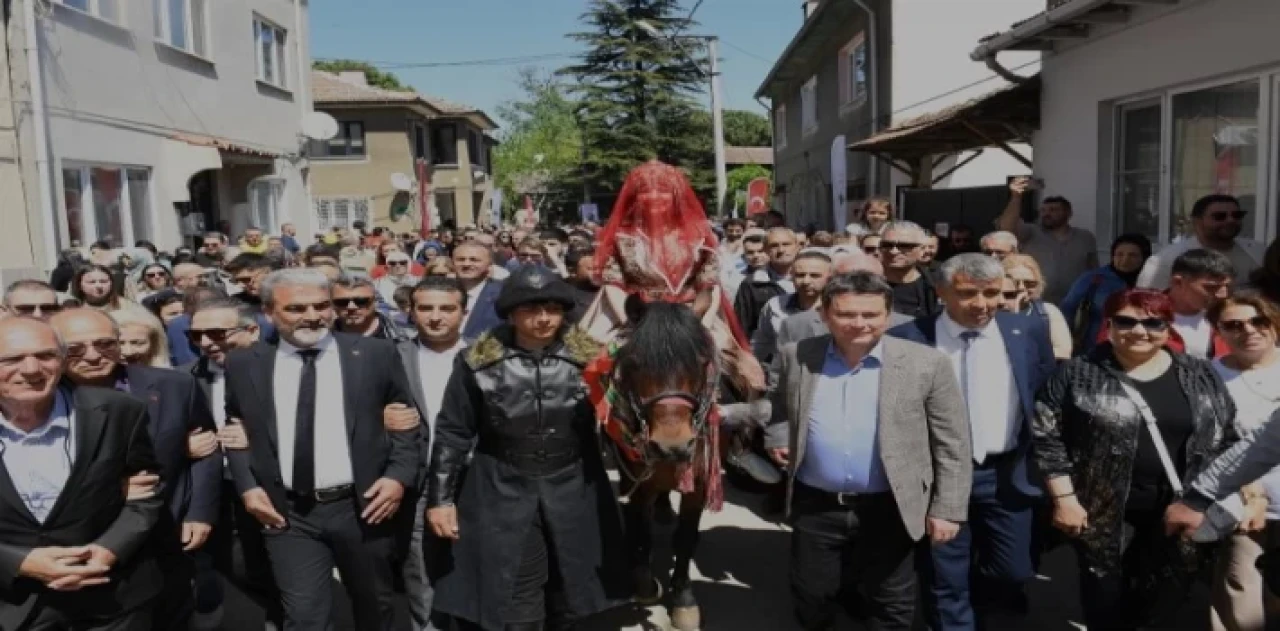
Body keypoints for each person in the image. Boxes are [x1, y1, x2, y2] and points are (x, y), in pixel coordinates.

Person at [426, 266, 629, 630]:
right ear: (511, 313)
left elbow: (623, 419)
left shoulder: (593, 359)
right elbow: (453, 432)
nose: (543, 318)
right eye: (530, 309)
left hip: (574, 487)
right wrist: (440, 500)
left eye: (553, 309)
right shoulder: (477, 360)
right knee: (518, 592)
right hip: (501, 487)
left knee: (570, 588)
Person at [765, 272, 972, 631]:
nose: (859, 323)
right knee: (813, 595)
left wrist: (948, 509)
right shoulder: (797, 356)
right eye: (846, 314)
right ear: (825, 314)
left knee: (891, 601)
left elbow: (952, 441)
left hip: (891, 505)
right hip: (817, 505)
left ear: (888, 316)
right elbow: (778, 405)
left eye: (871, 314)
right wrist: (778, 437)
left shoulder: (926, 363)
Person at [223, 268, 421, 630]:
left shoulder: (374, 354)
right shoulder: (244, 363)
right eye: (296, 309)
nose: (312, 316)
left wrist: (397, 478)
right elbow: (236, 430)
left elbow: (407, 425)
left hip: (362, 506)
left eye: (321, 306)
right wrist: (248, 488)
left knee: (375, 607)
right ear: (268, 312)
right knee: (303, 617)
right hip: (287, 512)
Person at [1033, 288, 1238, 630]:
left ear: (1168, 328)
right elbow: (1046, 436)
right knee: (1105, 600)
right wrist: (1064, 499)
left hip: (1181, 507)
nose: (1139, 331)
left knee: (1165, 599)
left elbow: (1226, 436)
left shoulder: (1199, 373)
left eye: (1153, 323)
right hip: (1101, 510)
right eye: (1126, 321)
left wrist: (1237, 494)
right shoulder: (1078, 373)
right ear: (1109, 325)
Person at [889, 253, 1056, 630]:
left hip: (1006, 474)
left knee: (1013, 570)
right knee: (945, 576)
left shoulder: (1026, 330)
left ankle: (986, 611)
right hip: (938, 476)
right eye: (967, 293)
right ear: (941, 292)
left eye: (992, 293)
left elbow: (1043, 393)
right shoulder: (907, 338)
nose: (982, 304)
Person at [50, 307, 221, 630]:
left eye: (105, 344)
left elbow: (207, 448)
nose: (93, 355)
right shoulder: (40, 398)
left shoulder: (174, 385)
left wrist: (200, 512)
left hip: (167, 535)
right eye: (75, 349)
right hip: (83, 547)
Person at [0, 317, 169, 630]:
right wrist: (18, 562)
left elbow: (147, 494)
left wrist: (110, 550)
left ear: (63, 360)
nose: (31, 369)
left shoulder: (118, 410)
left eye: (46, 356)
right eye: (11, 359)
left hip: (113, 599)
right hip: (12, 605)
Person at [580, 160, 764, 396]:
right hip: (633, 314)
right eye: (646, 191)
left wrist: (698, 325)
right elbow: (613, 285)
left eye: (663, 191)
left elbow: (709, 286)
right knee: (587, 362)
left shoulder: (698, 237)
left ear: (676, 197)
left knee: (732, 370)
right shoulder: (622, 238)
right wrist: (635, 323)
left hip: (691, 314)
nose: (655, 197)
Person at [180, 297, 281, 630]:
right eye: (196, 336)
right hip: (213, 490)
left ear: (252, 330)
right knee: (225, 566)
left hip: (267, 487)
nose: (206, 343)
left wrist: (258, 437)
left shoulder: (283, 370)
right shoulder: (182, 379)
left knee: (277, 570)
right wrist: (182, 446)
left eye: (217, 334)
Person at [1198, 293, 1280, 631]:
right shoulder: (1208, 376)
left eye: (1258, 321)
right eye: (1234, 325)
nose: (1248, 331)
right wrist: (1250, 494)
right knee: (1241, 592)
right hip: (1241, 501)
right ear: (1219, 331)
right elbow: (1212, 442)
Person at [396, 277, 469, 631]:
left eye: (446, 308)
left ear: (463, 312)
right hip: (419, 481)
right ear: (411, 312)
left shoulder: (487, 358)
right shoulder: (391, 357)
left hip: (476, 480)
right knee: (422, 573)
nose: (436, 316)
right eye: (425, 308)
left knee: (476, 571)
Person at [996, 177, 1099, 304]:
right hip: (1037, 302)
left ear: (1068, 213)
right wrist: (1016, 197)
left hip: (1075, 304)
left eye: (1053, 210)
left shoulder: (1085, 237)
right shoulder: (1031, 232)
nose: (1046, 214)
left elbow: (1094, 270)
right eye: (1043, 210)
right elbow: (1007, 228)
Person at [1139, 194, 1266, 290]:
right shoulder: (1166, 260)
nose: (1230, 220)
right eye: (1219, 216)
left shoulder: (1259, 251)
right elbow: (1147, 302)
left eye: (1237, 215)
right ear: (1197, 222)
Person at [1059, 233, 1153, 355]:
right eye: (1119, 254)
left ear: (1145, 257)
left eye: (1132, 255)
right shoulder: (1094, 278)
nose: (1125, 260)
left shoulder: (1152, 281)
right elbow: (1067, 310)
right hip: (1094, 350)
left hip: (1139, 349)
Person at [751, 250, 833, 364]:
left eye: (815, 276)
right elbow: (760, 344)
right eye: (800, 275)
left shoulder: (838, 309)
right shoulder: (775, 305)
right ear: (791, 276)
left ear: (830, 278)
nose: (806, 281)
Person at [1167, 249, 1234, 359]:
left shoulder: (1232, 316)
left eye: (1226, 286)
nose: (1223, 294)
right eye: (1211, 287)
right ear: (1178, 282)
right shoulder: (1145, 316)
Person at [1002, 254, 1073, 359]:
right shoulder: (992, 312)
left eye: (1029, 283)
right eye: (1015, 283)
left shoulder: (1048, 312)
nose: (1021, 288)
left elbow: (1064, 352)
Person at [734, 227, 797, 340]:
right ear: (766, 250)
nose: (781, 250)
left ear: (797, 246)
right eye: (774, 246)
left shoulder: (814, 276)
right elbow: (742, 325)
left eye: (786, 244)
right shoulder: (752, 284)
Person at [879, 221, 941, 319]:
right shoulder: (865, 284)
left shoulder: (936, 285)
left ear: (921, 249)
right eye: (887, 244)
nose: (893, 251)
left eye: (904, 246)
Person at [453, 242, 504, 340]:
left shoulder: (502, 294)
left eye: (474, 260)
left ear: (489, 265)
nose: (466, 264)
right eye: (461, 259)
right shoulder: (440, 292)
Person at [332, 275, 406, 341]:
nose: (351, 307)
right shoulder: (327, 337)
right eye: (341, 302)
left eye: (361, 301)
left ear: (375, 302)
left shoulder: (403, 334)